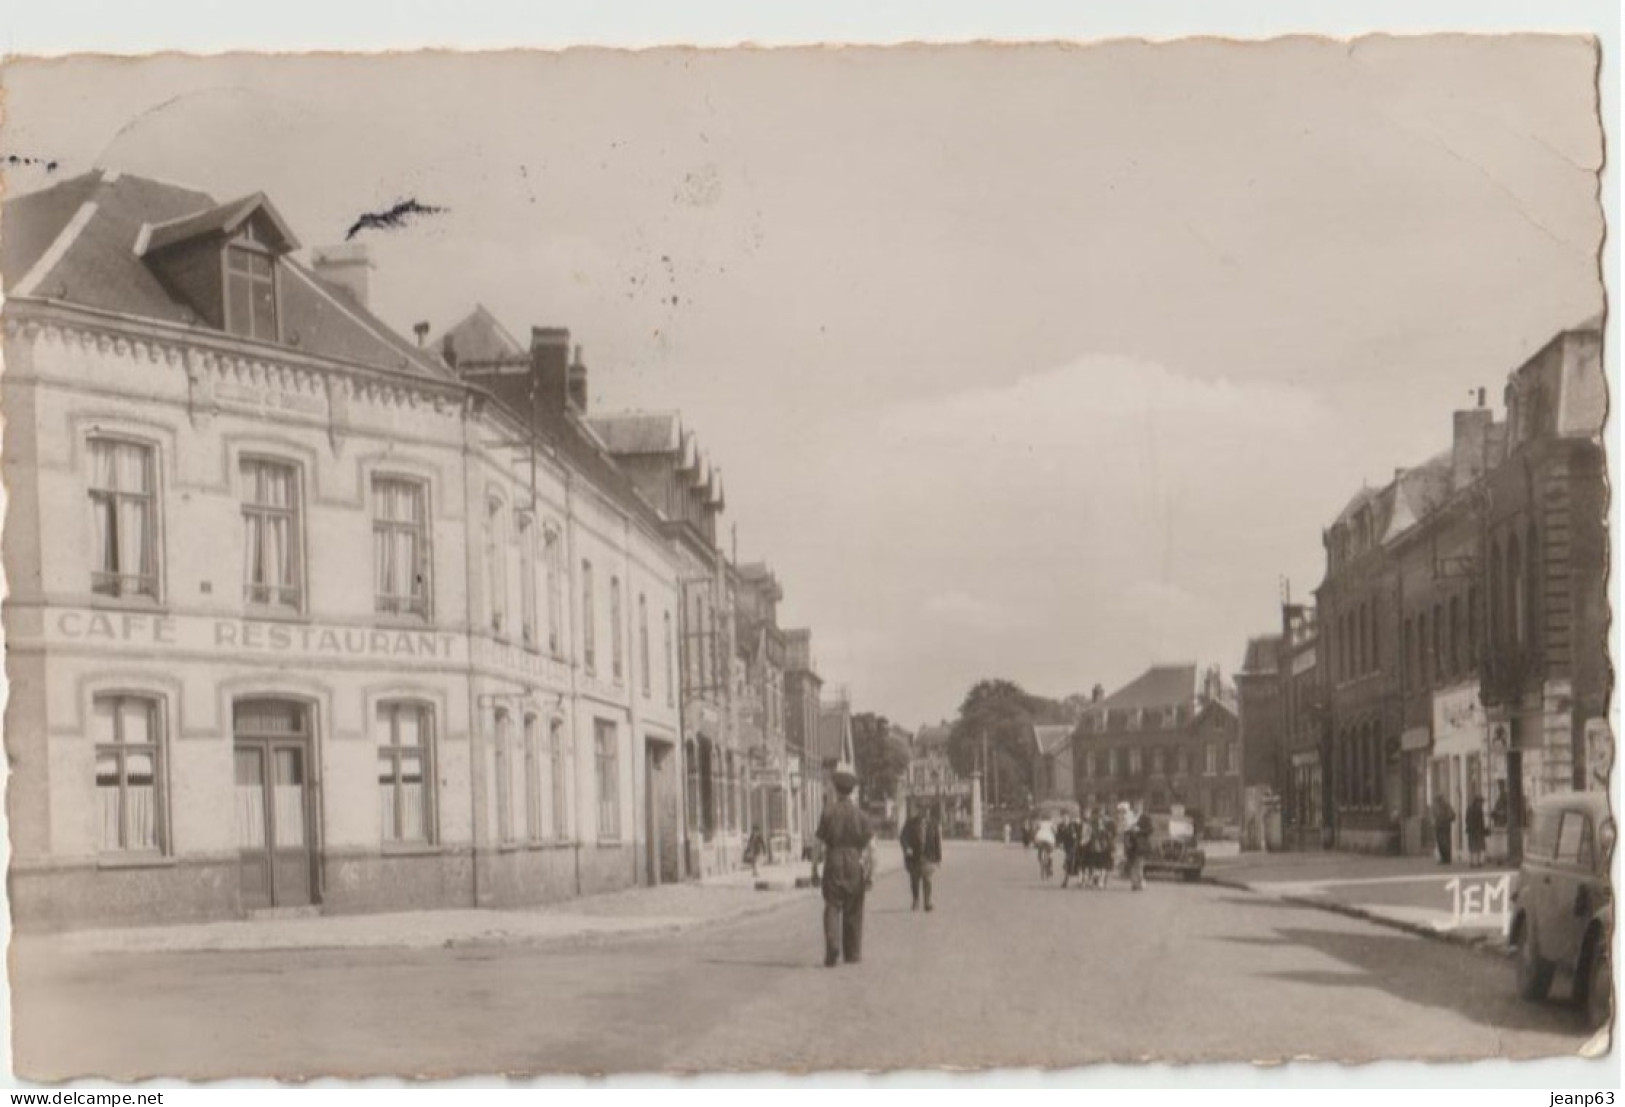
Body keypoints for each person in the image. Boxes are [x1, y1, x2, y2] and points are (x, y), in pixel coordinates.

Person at [816, 766, 873, 967]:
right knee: (854, 907)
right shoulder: (862, 816)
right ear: (852, 791)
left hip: (833, 860)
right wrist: (869, 872)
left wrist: (814, 867)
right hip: (854, 861)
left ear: (836, 789)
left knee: (832, 904)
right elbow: (871, 848)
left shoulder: (828, 813)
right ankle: (852, 953)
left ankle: (833, 945)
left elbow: (818, 844)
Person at [900, 803, 944, 911]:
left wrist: (938, 858)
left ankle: (927, 902)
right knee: (914, 880)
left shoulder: (934, 824)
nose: (925, 813)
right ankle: (916, 900)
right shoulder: (910, 823)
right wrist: (907, 848)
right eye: (922, 810)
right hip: (914, 856)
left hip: (928, 856)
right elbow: (903, 837)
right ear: (918, 811)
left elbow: (937, 841)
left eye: (927, 810)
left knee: (927, 880)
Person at [1126, 807, 1153, 891]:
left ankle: (1138, 883)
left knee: (1139, 864)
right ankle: (1135, 883)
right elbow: (1126, 830)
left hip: (1141, 845)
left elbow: (1150, 830)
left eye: (1138, 805)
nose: (1136, 807)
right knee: (1132, 864)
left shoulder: (1145, 817)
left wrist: (1139, 830)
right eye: (1135, 805)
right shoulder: (1130, 817)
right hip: (1131, 845)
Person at [1432, 792, 1456, 865]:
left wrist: (1444, 819)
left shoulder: (1446, 806)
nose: (1438, 801)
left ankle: (1447, 858)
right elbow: (1435, 815)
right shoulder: (1437, 807)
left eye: (1438, 799)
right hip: (1439, 826)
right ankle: (1444, 858)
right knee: (1440, 842)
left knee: (1444, 842)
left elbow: (1452, 815)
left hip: (1444, 827)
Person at [1465, 793, 1488, 868]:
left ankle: (1472, 862)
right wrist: (1483, 830)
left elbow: (1467, 819)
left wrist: (1469, 826)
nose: (1481, 804)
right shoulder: (1479, 810)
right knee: (1479, 847)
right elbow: (1481, 822)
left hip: (1471, 830)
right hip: (1477, 831)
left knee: (1472, 847)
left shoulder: (1469, 808)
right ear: (1477, 802)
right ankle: (1478, 862)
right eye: (1481, 802)